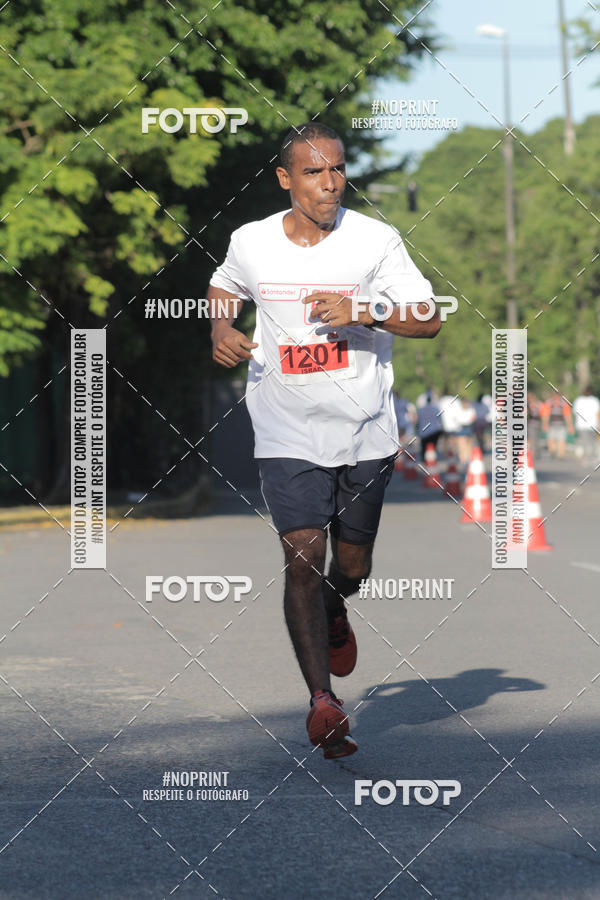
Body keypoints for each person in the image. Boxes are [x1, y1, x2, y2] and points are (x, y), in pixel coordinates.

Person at [207, 122, 441, 759]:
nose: (329, 184)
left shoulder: (375, 240)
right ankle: (323, 704)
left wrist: (364, 310)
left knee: (353, 568)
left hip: (365, 429)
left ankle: (338, 609)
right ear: (286, 180)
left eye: (336, 170)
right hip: (285, 428)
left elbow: (430, 319)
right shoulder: (251, 241)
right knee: (302, 558)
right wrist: (220, 327)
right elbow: (223, 285)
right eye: (313, 173)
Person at [541, 392, 574, 458]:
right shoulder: (549, 402)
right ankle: (552, 453)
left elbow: (567, 415)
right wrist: (545, 424)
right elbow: (545, 415)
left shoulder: (564, 403)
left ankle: (560, 454)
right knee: (551, 439)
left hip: (561, 425)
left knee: (561, 440)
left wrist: (570, 426)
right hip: (552, 424)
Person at [573, 387, 600, 461]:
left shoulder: (579, 400)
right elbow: (598, 413)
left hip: (583, 425)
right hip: (590, 424)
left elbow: (575, 413)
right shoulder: (594, 400)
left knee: (586, 441)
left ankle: (587, 456)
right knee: (590, 441)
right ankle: (589, 455)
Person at [416, 392, 442, 459]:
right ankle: (435, 458)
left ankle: (424, 459)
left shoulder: (421, 410)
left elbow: (418, 421)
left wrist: (417, 430)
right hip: (435, 431)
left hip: (424, 432)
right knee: (434, 446)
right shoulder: (436, 408)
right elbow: (440, 419)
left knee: (424, 447)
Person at [455, 397, 476, 465]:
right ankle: (463, 460)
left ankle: (468, 459)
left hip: (469, 427)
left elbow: (473, 418)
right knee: (462, 445)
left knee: (469, 445)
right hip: (461, 427)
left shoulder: (471, 410)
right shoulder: (458, 410)